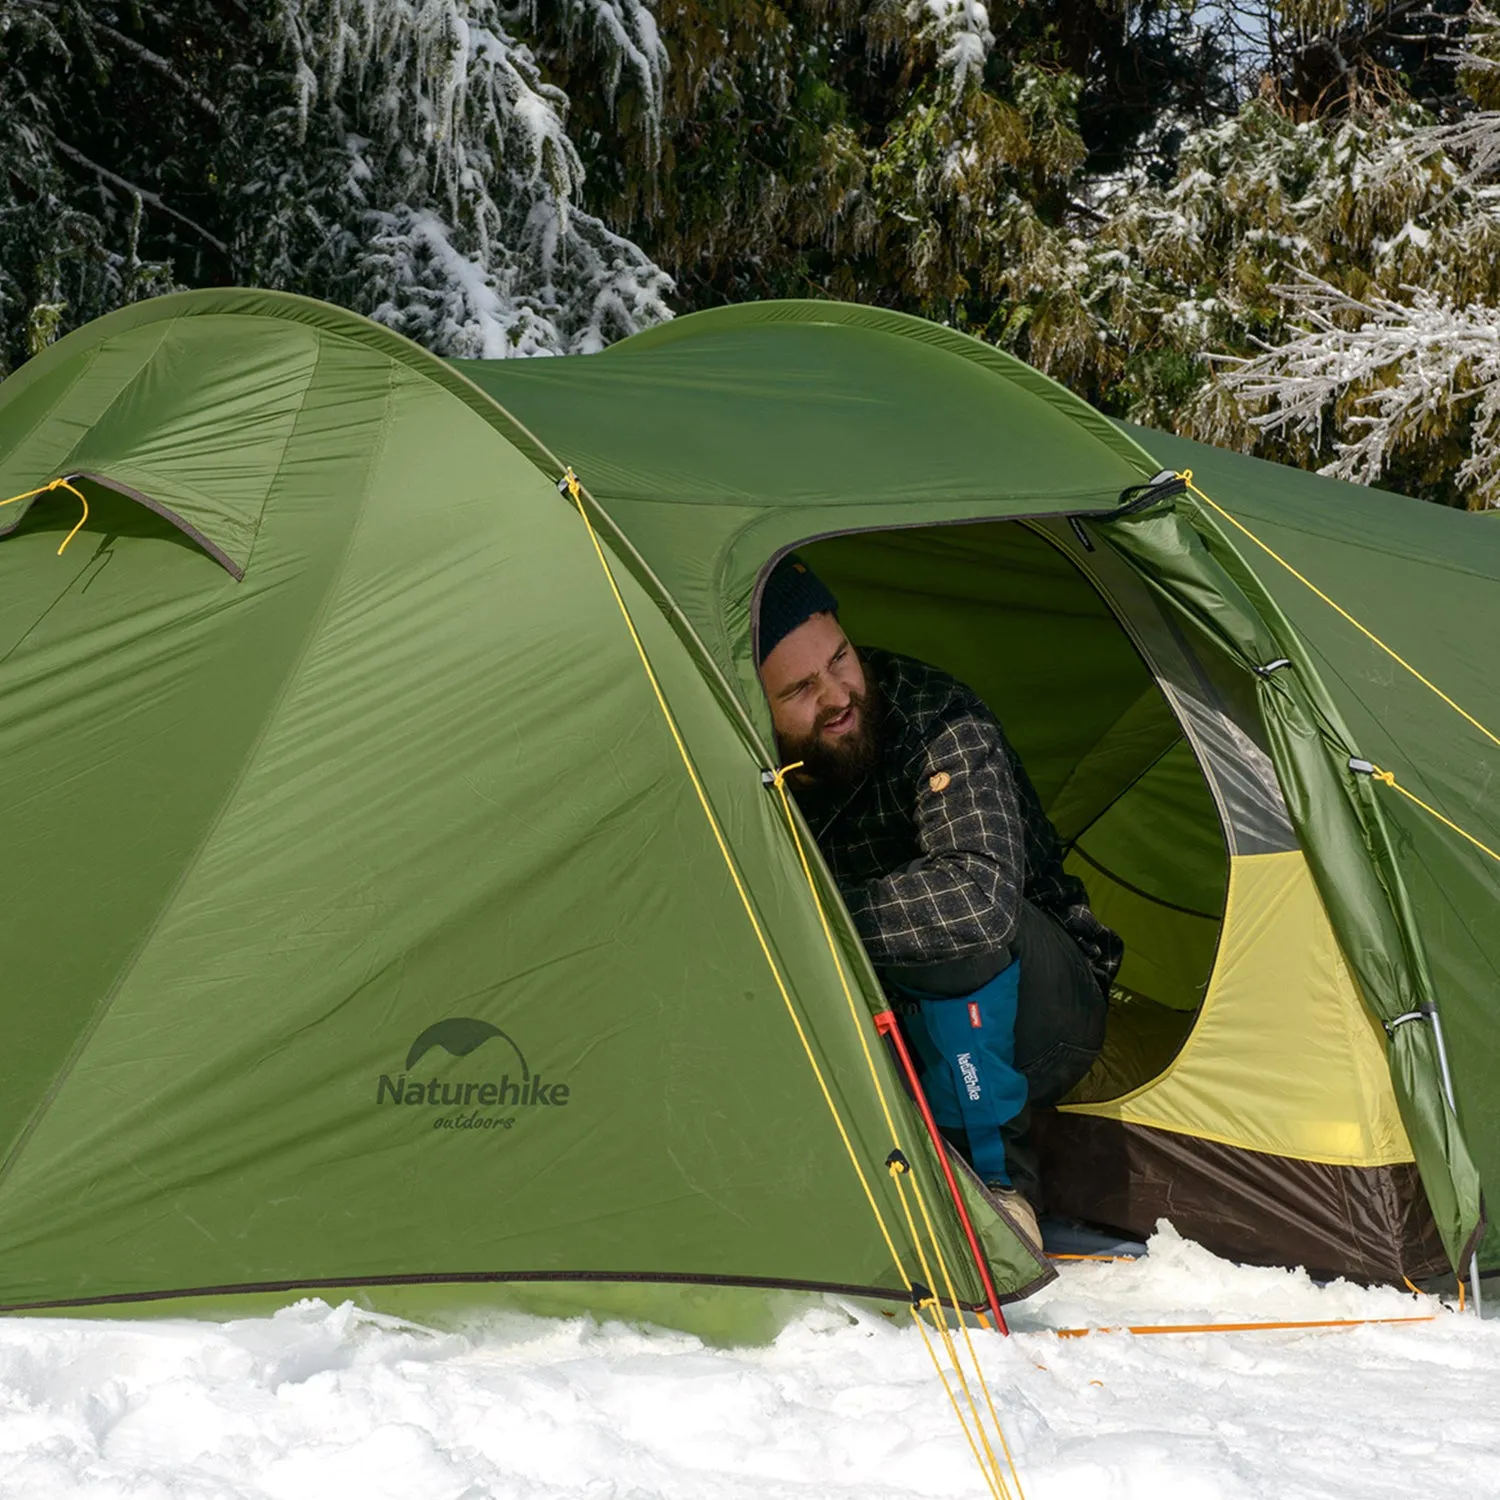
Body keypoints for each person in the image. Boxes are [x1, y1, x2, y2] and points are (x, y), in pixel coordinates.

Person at [755, 554, 1120, 1251]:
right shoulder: (741, 760)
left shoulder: (937, 717)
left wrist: (805, 920)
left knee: (951, 928)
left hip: (1042, 1012)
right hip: (882, 1010)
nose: (837, 694)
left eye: (840, 659)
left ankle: (996, 1193)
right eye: (801, 688)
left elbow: (978, 900)